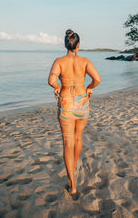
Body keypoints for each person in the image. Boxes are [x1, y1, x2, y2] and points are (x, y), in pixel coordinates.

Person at [48, 29, 101, 200]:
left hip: (66, 103)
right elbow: (97, 79)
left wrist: (57, 87)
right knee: (78, 139)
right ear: (78, 45)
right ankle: (73, 165)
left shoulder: (59, 61)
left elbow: (51, 80)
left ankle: (72, 184)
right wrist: (89, 88)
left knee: (67, 142)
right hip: (82, 102)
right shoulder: (85, 61)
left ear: (65, 45)